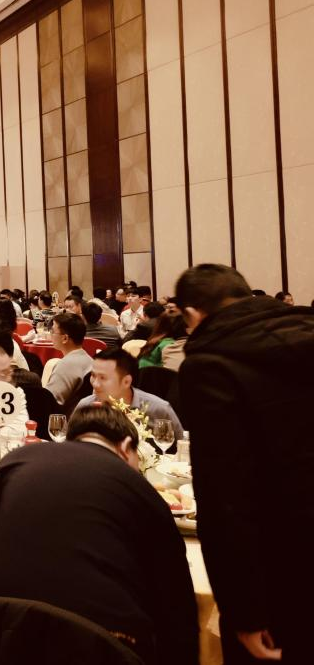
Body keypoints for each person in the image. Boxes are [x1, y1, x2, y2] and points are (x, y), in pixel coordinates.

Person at [0, 404, 198, 664]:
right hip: (102, 649)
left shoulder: (17, 459)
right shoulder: (139, 488)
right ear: (126, 447)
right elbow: (175, 602)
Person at [176, 264, 314, 663]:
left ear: (192, 315)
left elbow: (226, 499)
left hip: (283, 570)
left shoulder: (210, 365)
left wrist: (245, 611)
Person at [73, 347, 183, 436]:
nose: (95, 384)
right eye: (93, 375)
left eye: (103, 378)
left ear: (126, 381)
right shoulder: (86, 406)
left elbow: (182, 447)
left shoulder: (158, 409)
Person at [44, 312, 91, 404]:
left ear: (65, 338)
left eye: (52, 331)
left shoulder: (66, 365)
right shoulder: (88, 359)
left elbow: (49, 401)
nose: (50, 335)